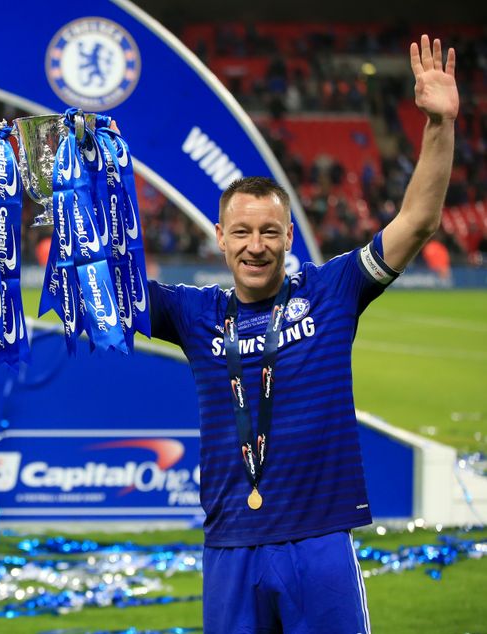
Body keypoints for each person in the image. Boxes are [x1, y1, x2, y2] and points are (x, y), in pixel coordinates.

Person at [146, 35, 456, 633]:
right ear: (220, 236)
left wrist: (438, 123)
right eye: (241, 232)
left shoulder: (331, 290)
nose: (254, 246)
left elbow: (418, 221)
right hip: (231, 545)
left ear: (289, 235)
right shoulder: (194, 313)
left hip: (319, 544)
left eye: (268, 231)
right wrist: (53, 197)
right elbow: (104, 292)